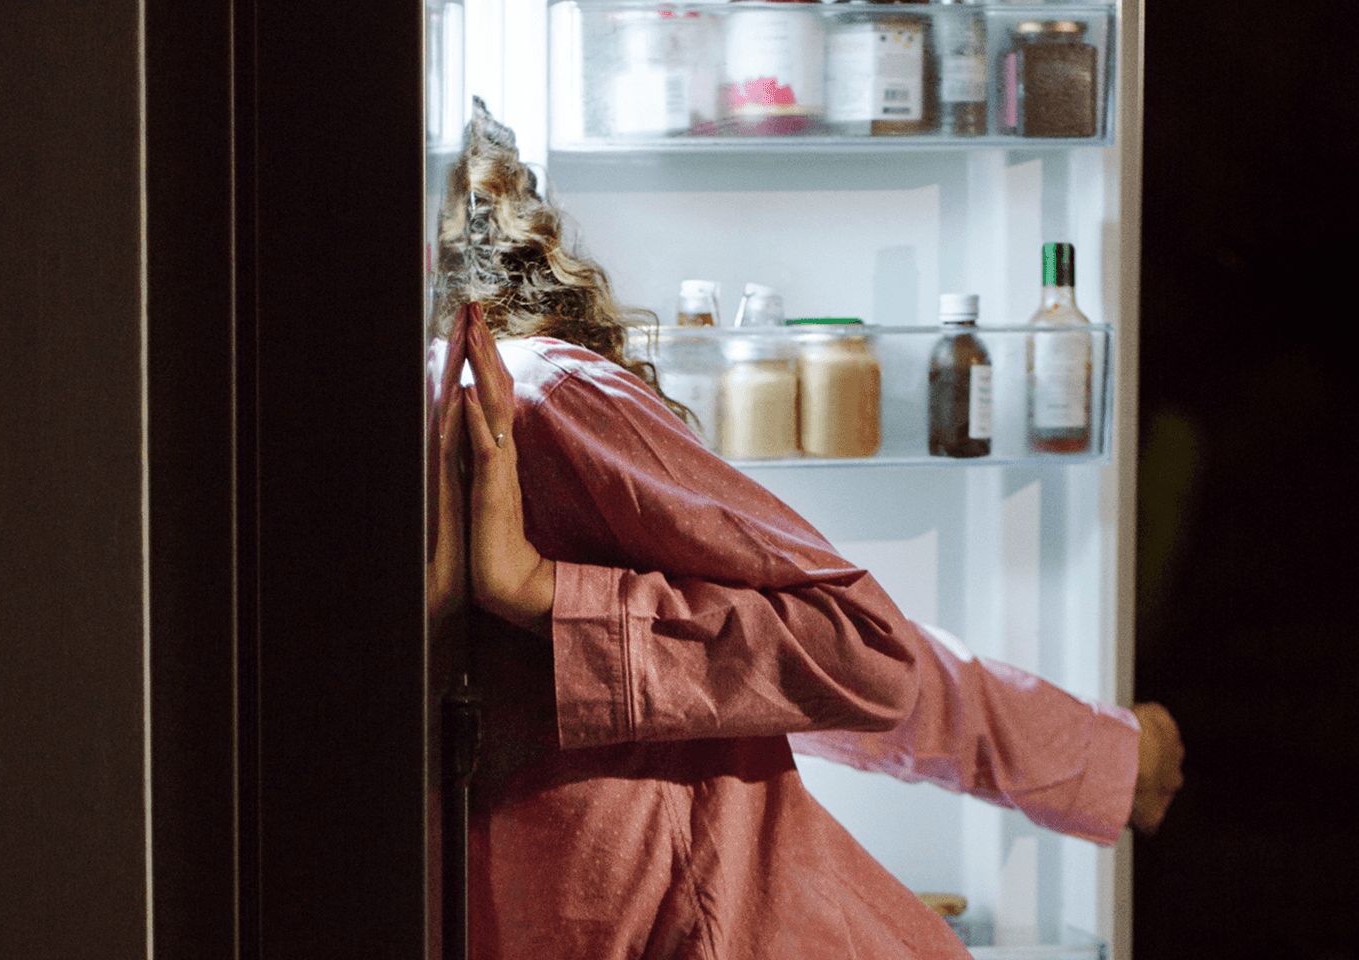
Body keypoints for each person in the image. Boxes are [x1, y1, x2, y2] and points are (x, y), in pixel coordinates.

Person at [428, 101, 1184, 960]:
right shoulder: (509, 401)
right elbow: (806, 662)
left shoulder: (518, 398)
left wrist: (1085, 758)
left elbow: (831, 657)